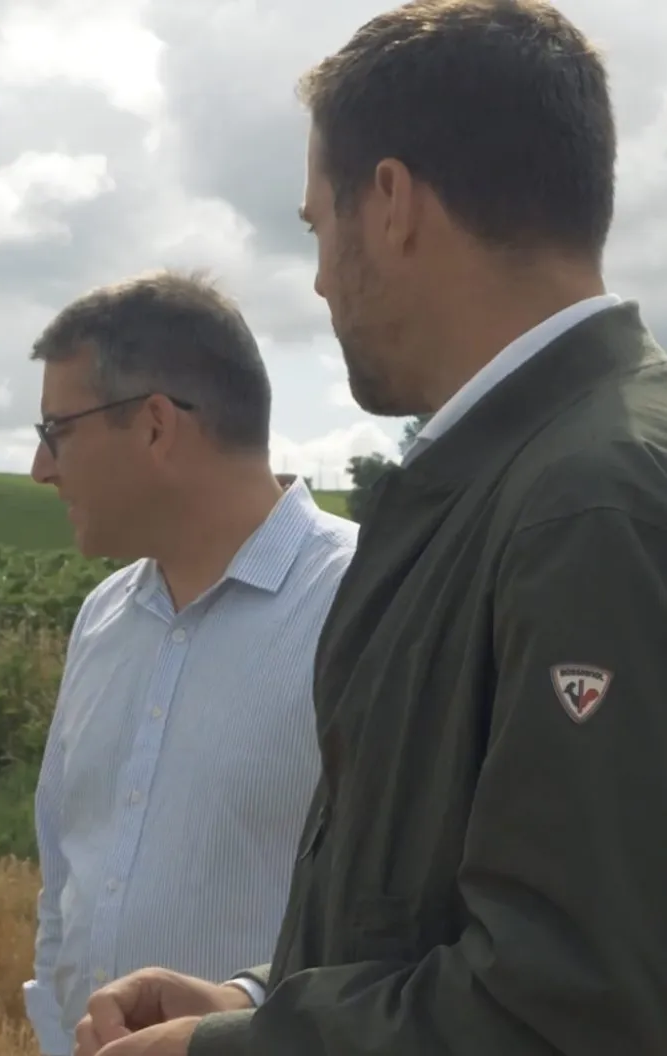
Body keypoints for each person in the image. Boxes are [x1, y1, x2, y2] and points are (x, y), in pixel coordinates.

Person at [73, 2, 667, 1055]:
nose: (312, 277)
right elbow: (443, 914)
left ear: (388, 201)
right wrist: (263, 1000)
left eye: (313, 225)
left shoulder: (583, 505)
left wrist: (235, 1050)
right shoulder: (527, 478)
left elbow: (575, 1005)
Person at [22, 270, 359, 1055]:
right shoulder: (102, 617)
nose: (40, 467)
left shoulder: (370, 605)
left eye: (56, 429)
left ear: (152, 426)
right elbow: (63, 887)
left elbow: (409, 921)